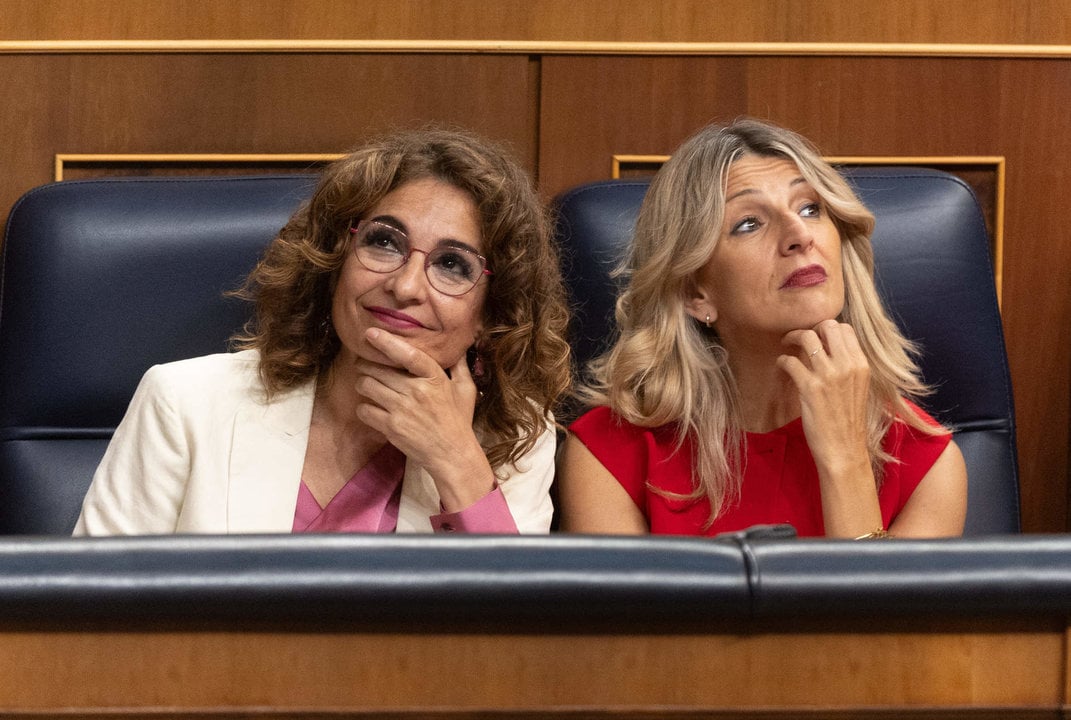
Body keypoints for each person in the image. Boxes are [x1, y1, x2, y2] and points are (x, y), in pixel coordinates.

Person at [75, 127, 571, 535]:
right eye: (383, 242)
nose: (404, 286)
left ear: (491, 314)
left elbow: (512, 646)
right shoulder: (184, 403)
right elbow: (87, 618)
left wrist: (457, 461)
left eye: (452, 265)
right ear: (335, 259)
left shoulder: (515, 441)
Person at [558, 118, 967, 539]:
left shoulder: (926, 464)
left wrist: (845, 461)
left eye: (810, 208)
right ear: (695, 292)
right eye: (749, 223)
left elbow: (870, 607)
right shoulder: (610, 455)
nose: (799, 234)